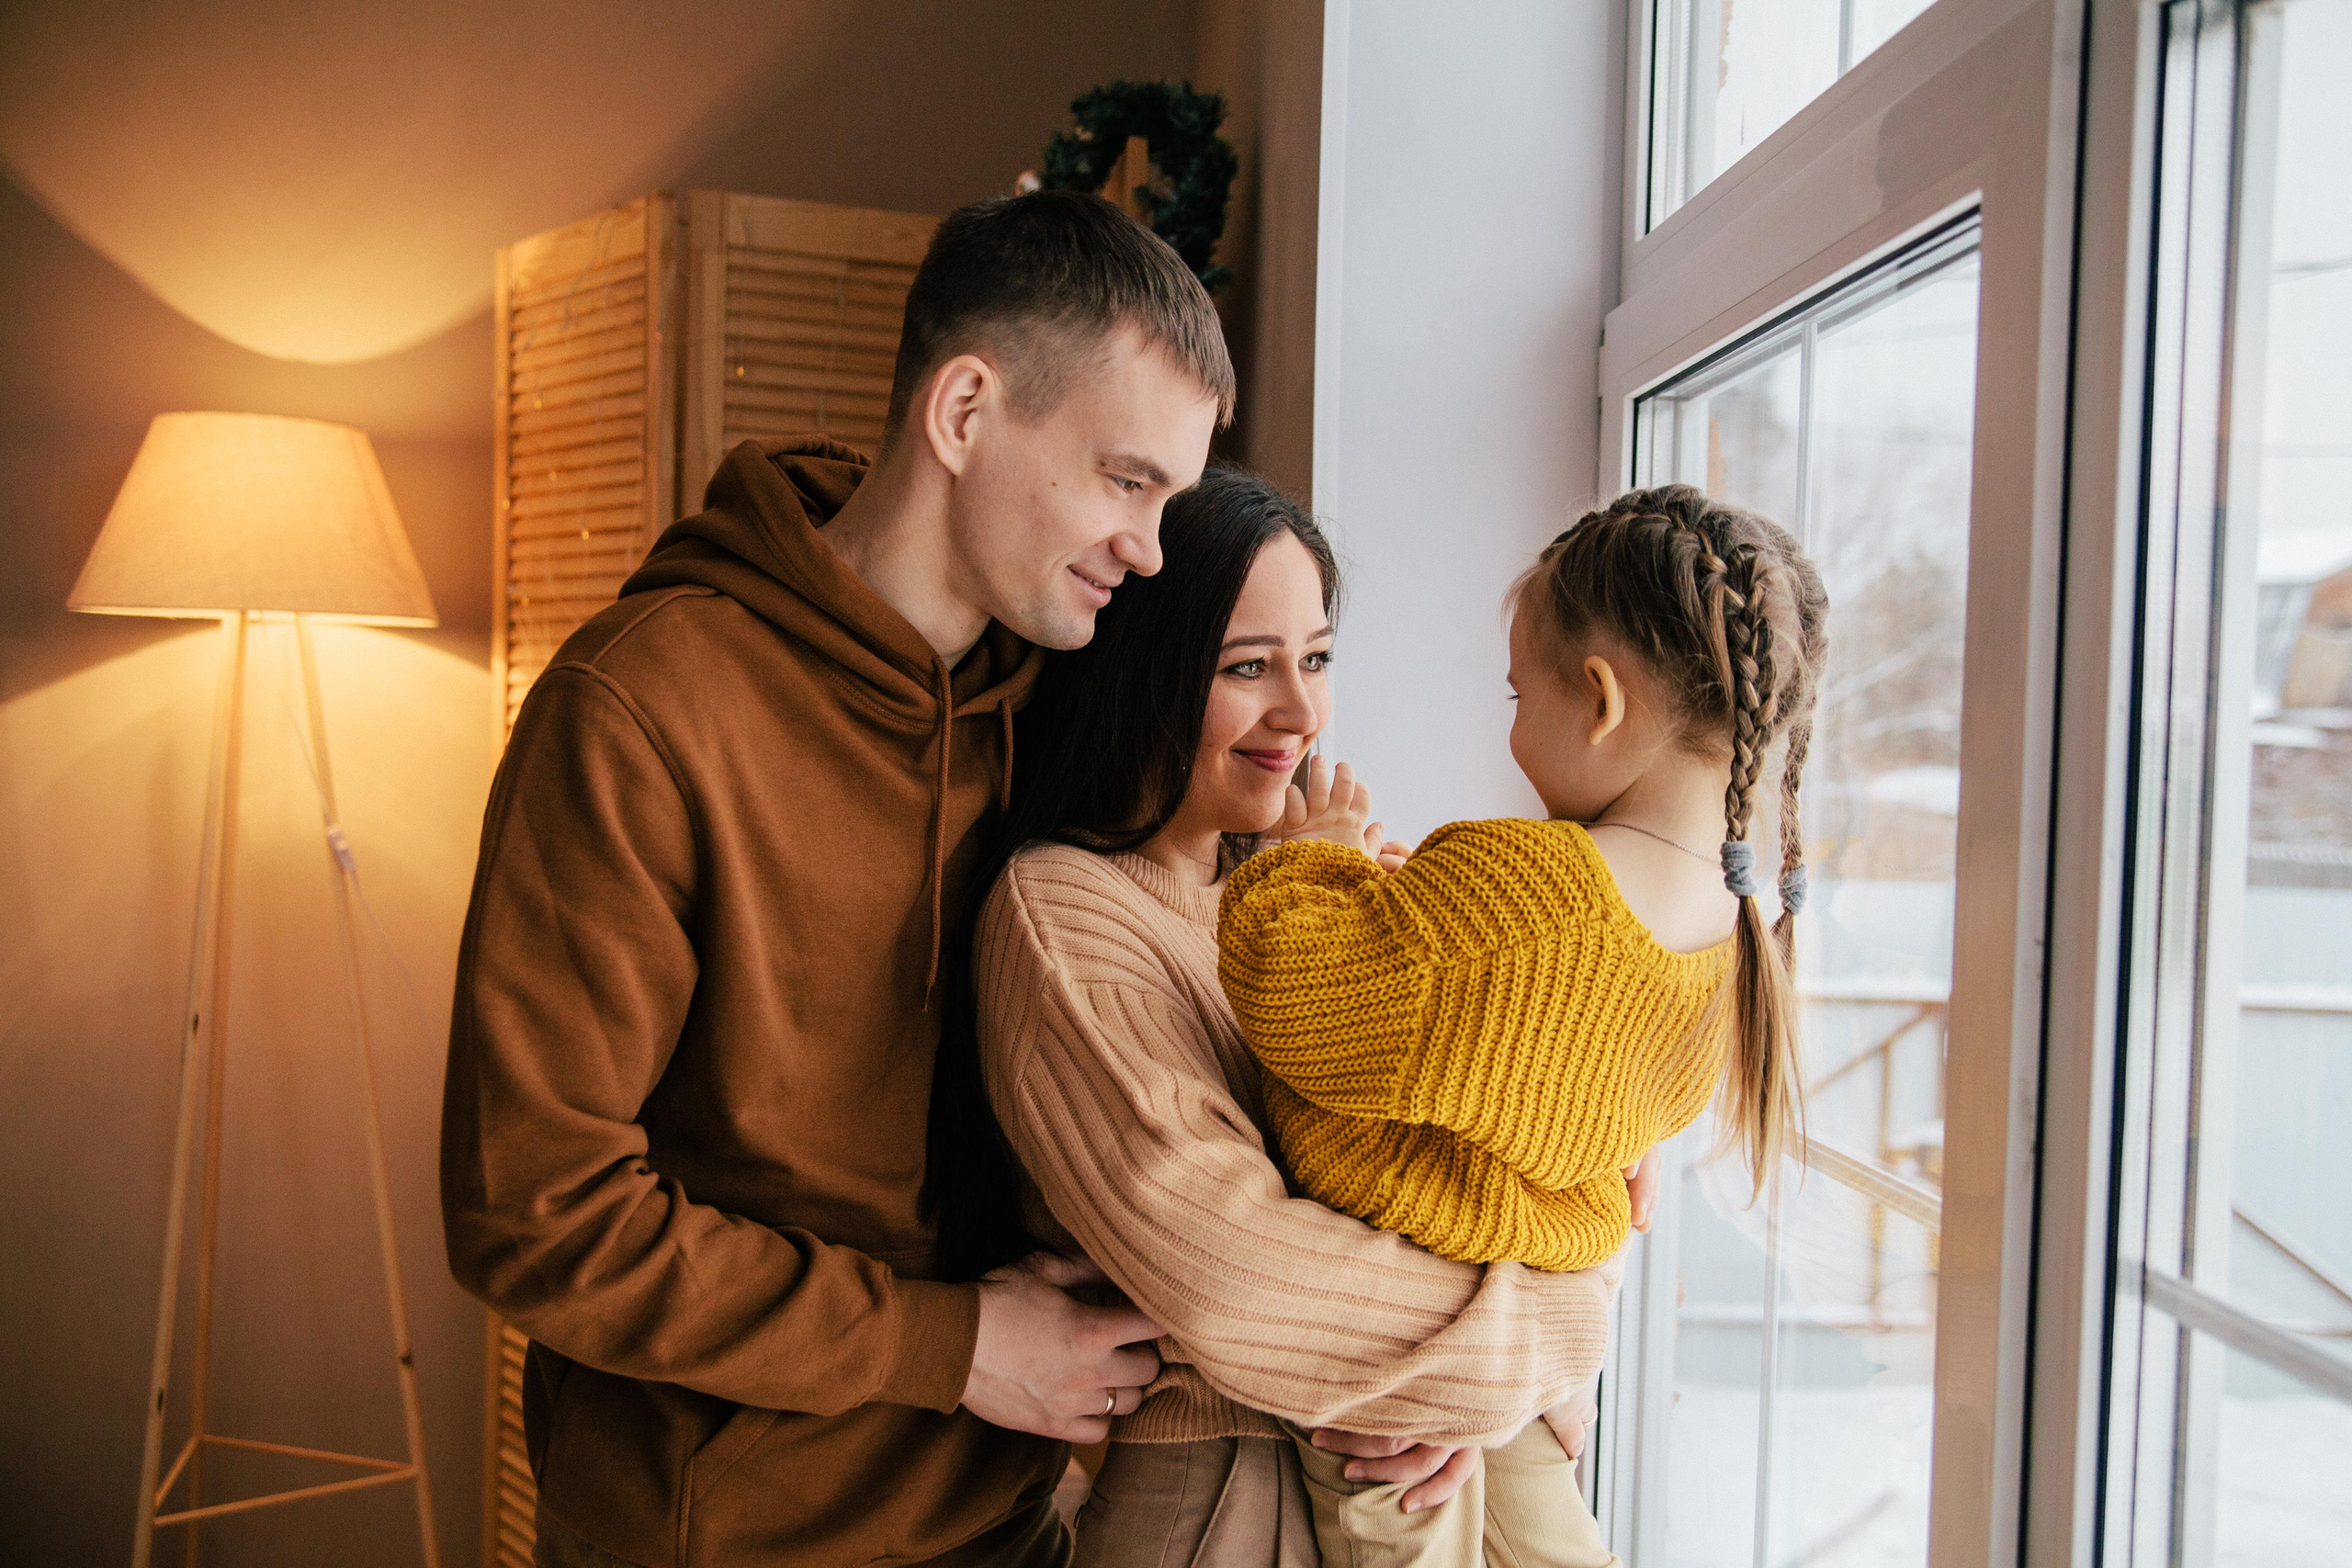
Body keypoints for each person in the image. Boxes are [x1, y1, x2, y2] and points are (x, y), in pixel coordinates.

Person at [439, 190, 1231, 1568]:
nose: (1151, 547)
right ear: (966, 411)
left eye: (1170, 498)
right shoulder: (640, 708)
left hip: (1008, 1512)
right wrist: (958, 1343)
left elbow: (1277, 1009)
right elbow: (537, 1214)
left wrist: (1445, 1370)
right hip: (718, 1535)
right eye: (1127, 480)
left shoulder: (1058, 711)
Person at [969, 468, 1628, 1568]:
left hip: (1388, 1467)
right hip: (1225, 1502)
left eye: (1315, 658)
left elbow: (1536, 1141)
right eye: (1246, 668)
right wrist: (1536, 1350)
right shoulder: (1065, 913)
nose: (1304, 712)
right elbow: (1238, 1279)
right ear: (1141, 676)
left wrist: (1466, 1393)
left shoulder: (1299, 892)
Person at [1216, 483, 1830, 1564]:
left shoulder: (1526, 888)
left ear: (1599, 699)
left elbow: (1288, 992)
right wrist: (1406, 918)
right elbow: (1507, 1050)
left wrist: (1312, 856)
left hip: (1387, 1354)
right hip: (1531, 1353)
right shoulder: (1737, 936)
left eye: (1515, 692)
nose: (1508, 726)